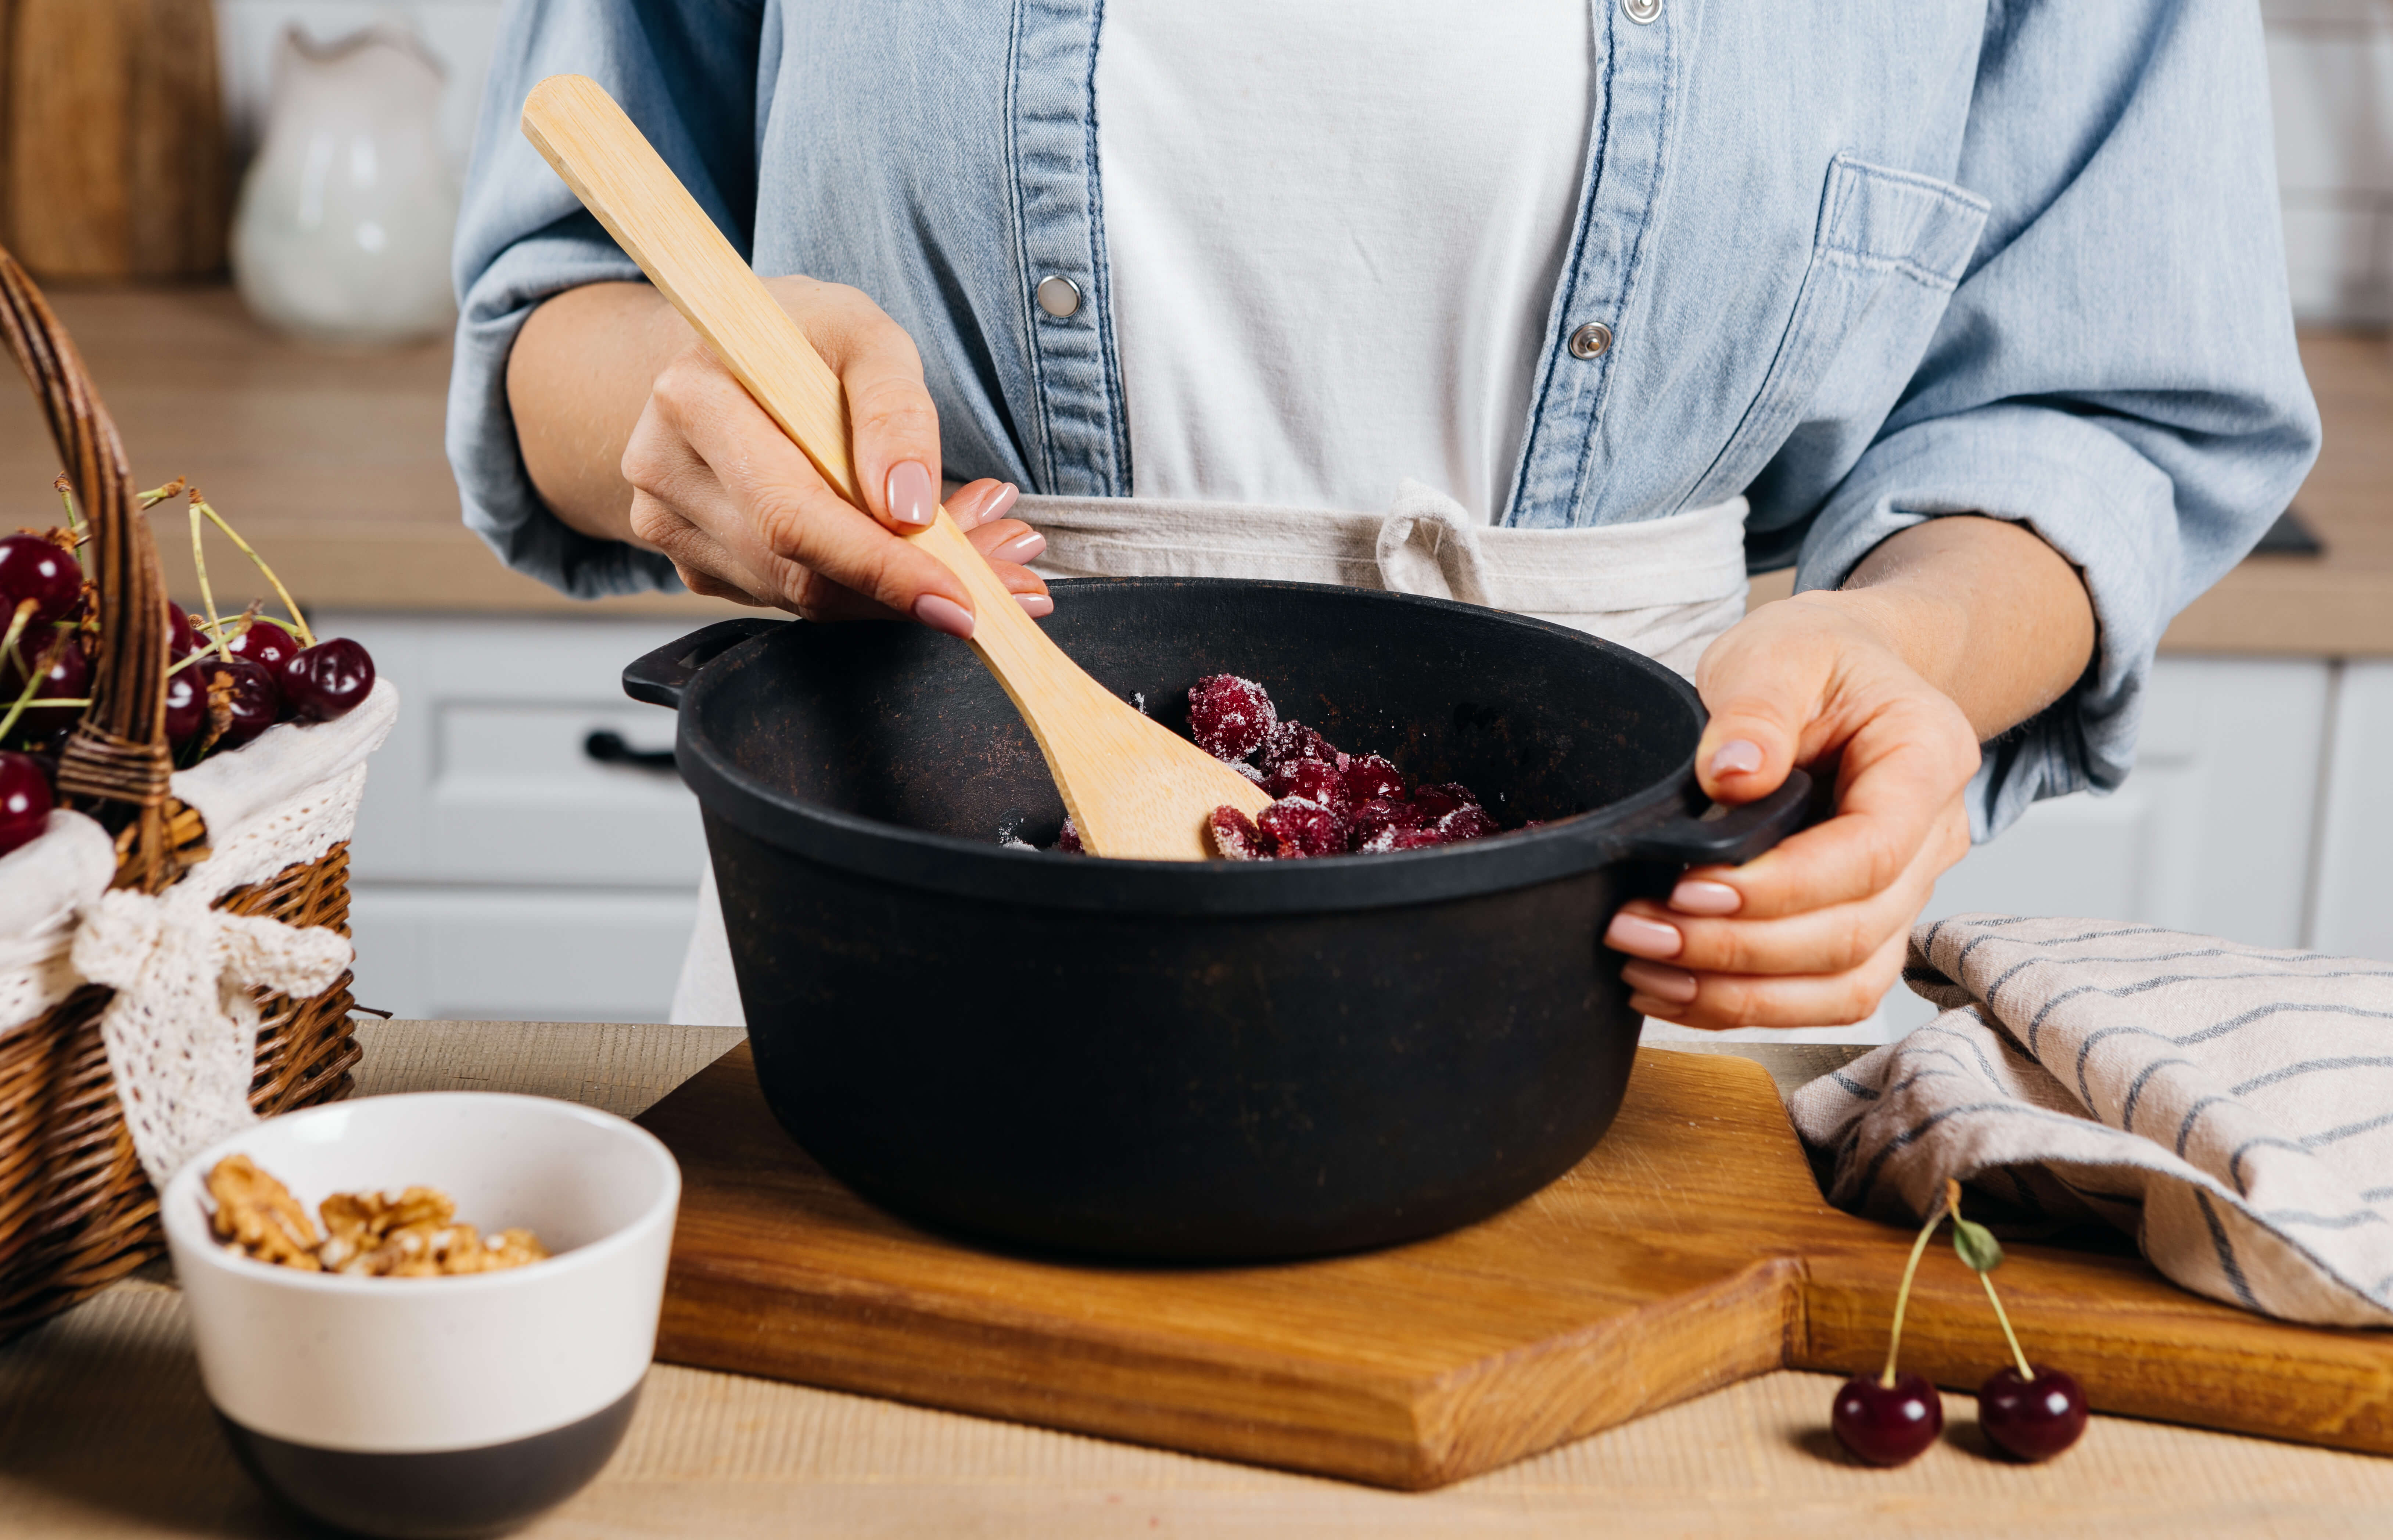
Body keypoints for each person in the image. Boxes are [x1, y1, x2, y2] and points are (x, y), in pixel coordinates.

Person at [450, 1, 2317, 1034]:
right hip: (918, 908)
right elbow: (557, 317)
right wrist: (701, 426)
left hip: (1635, 951)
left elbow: (2099, 401)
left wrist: (1898, 651)